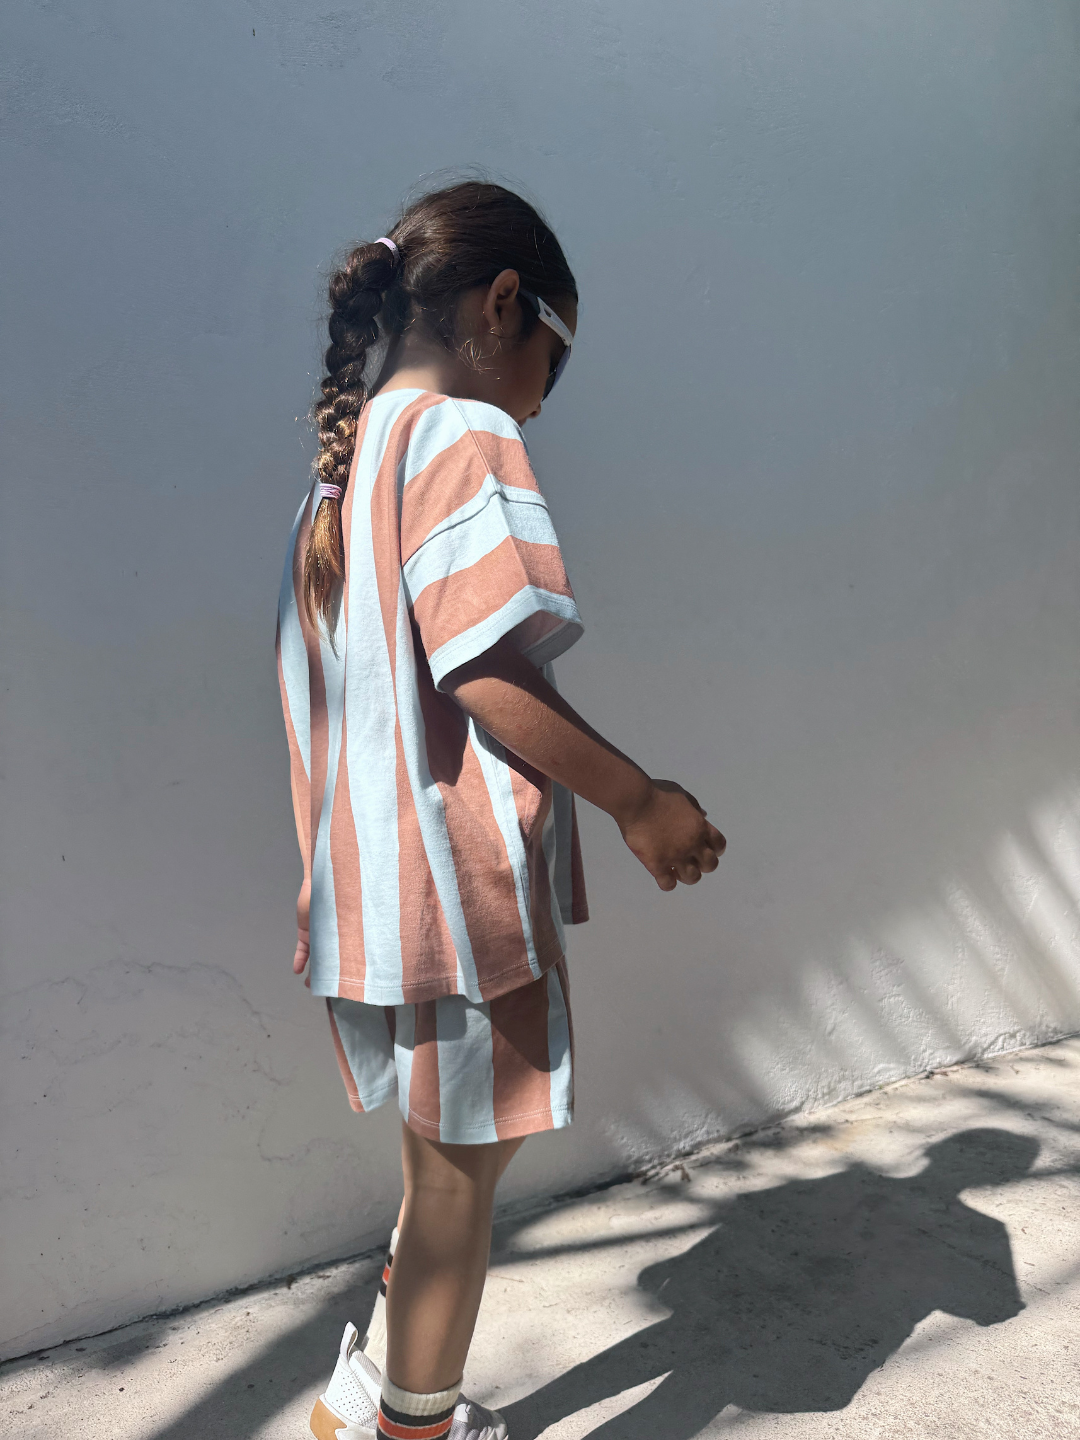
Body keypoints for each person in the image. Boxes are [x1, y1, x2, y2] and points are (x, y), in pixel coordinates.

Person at [276, 180, 726, 1440]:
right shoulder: (460, 438)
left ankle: (367, 1393)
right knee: (459, 1178)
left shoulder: (349, 464)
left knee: (451, 1155)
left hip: (378, 882)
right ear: (502, 304)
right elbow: (481, 665)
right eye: (553, 354)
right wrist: (640, 799)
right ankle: (410, 1426)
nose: (544, 392)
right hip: (458, 886)